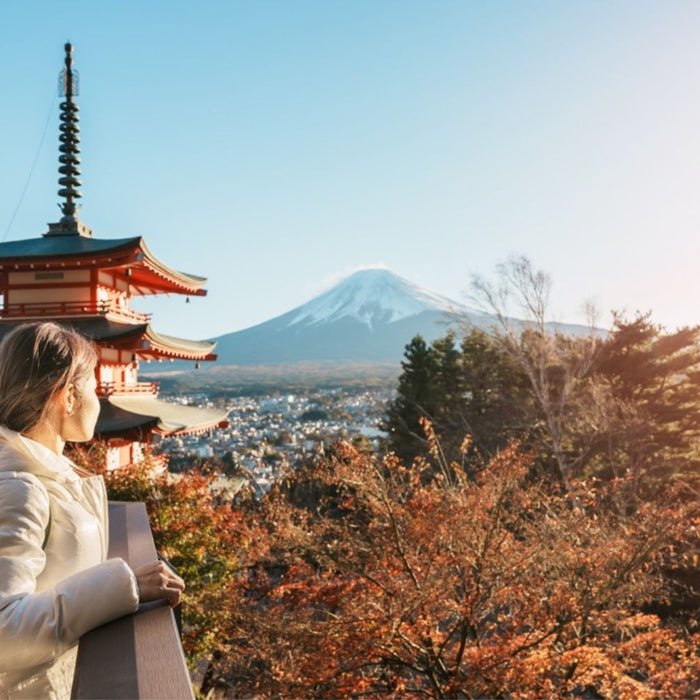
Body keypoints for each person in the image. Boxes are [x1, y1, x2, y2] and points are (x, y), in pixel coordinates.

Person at [0, 322, 184, 699]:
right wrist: (126, 586)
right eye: (94, 388)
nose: (99, 401)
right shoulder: (20, 488)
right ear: (67, 398)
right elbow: (4, 630)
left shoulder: (47, 472)